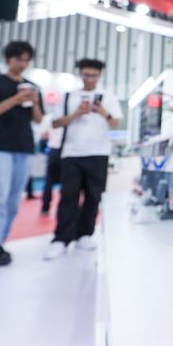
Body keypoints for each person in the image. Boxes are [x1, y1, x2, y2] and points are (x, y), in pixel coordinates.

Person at [44, 59, 121, 260]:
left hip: (99, 153)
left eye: (94, 75)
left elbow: (115, 123)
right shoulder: (68, 96)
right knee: (68, 196)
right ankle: (61, 238)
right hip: (71, 153)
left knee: (93, 197)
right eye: (86, 75)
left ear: (100, 76)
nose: (90, 79)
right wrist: (76, 114)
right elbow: (55, 123)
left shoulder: (108, 96)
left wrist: (103, 112)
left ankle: (85, 234)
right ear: (80, 74)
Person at [0, 41, 43, 267]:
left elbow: (38, 119)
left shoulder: (32, 87)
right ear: (8, 59)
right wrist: (15, 100)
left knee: (13, 201)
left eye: (26, 60)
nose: (22, 64)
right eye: (18, 59)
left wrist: (34, 103)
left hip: (24, 148)